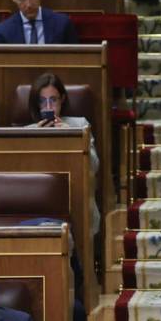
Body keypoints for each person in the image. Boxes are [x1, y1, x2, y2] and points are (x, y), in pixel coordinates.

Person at [25, 72, 102, 234]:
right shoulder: (27, 132)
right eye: (42, 101)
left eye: (53, 100)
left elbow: (94, 166)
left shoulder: (79, 125)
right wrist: (35, 139)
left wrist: (73, 137)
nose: (48, 107)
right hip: (39, 198)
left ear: (63, 99)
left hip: (74, 196)